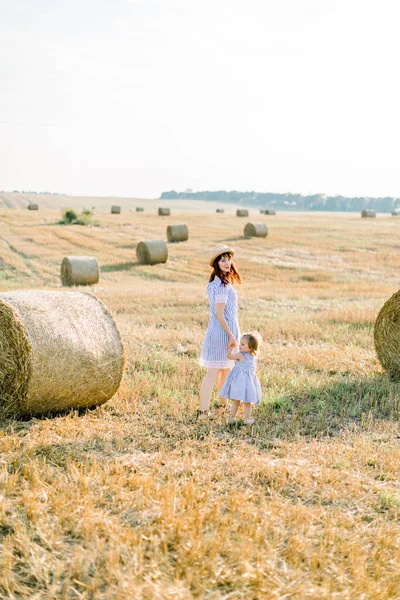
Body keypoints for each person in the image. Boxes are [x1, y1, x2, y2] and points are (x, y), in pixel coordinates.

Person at [198, 245, 242, 418]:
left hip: (221, 331)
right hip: (223, 333)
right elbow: (219, 314)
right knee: (214, 371)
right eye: (222, 260)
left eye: (228, 259)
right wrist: (231, 336)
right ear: (216, 263)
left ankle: (221, 409)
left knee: (224, 370)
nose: (227, 263)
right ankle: (203, 411)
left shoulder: (216, 282)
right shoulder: (222, 285)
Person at [220, 332, 262, 425]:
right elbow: (230, 357)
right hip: (242, 382)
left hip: (245, 382)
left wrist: (231, 349)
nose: (240, 346)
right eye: (240, 343)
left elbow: (230, 356)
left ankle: (243, 419)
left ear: (250, 347)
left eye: (242, 344)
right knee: (238, 401)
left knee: (245, 402)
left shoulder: (248, 356)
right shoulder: (242, 355)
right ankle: (234, 418)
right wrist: (231, 349)